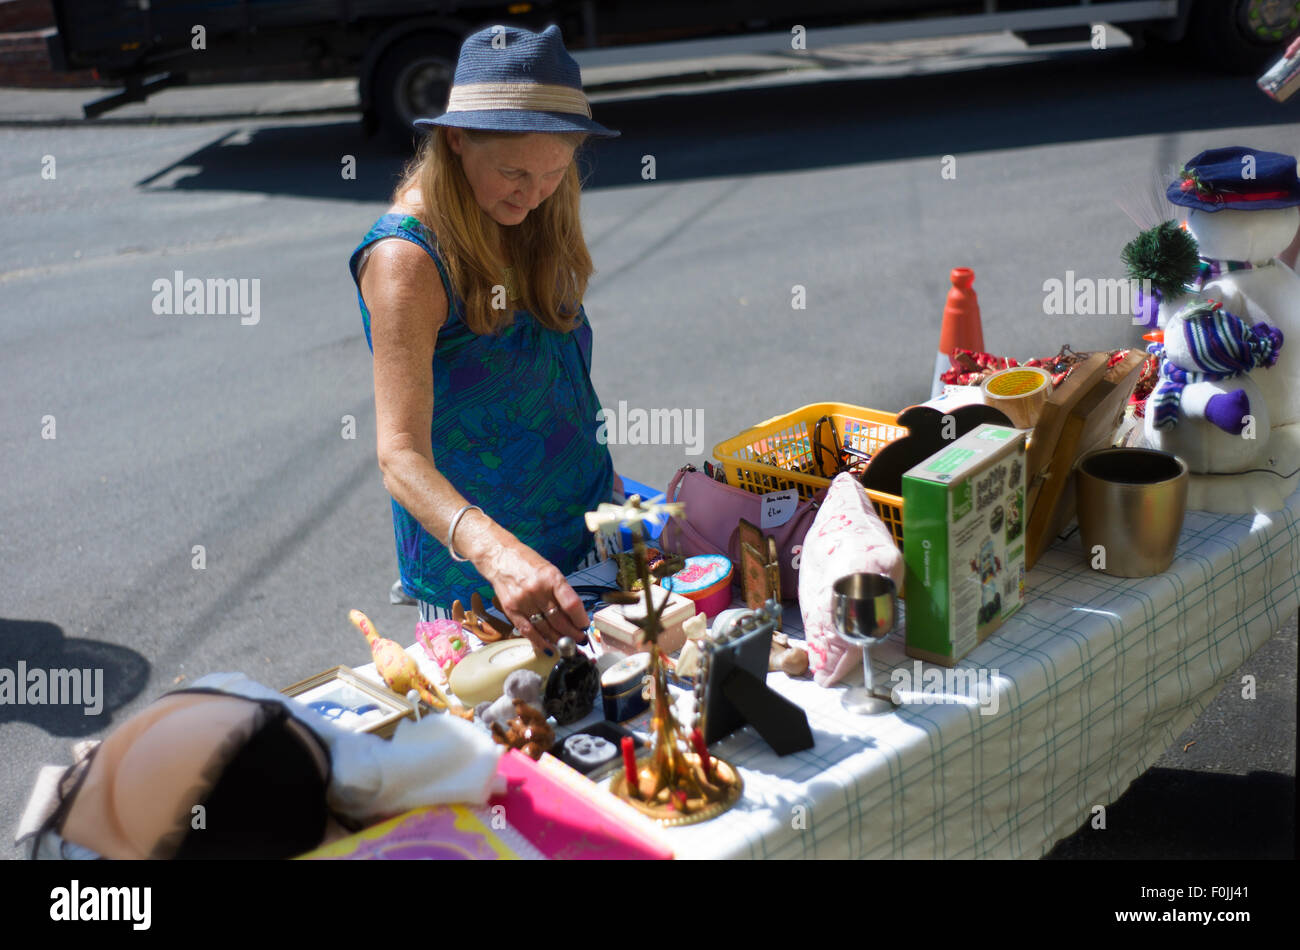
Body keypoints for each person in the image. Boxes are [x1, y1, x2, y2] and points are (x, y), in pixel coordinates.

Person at [349, 25, 623, 655]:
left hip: (580, 533)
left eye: (555, 172)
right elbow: (400, 458)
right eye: (514, 173)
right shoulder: (405, 260)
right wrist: (498, 556)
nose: (533, 195)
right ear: (455, 139)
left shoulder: (534, 206)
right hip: (483, 584)